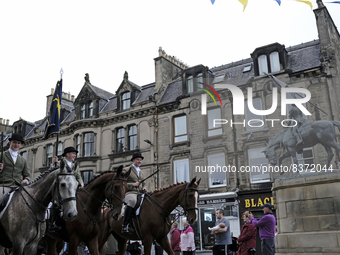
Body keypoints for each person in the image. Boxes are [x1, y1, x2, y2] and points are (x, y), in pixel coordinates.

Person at [49, 146, 84, 231]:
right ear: (67, 154)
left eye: (75, 154)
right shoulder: (59, 163)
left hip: (72, 190)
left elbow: (78, 176)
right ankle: (53, 222)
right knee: (54, 205)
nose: (74, 155)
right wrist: (53, 164)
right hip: (62, 189)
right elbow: (51, 172)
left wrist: (81, 183)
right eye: (73, 153)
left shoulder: (75, 165)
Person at [121, 152, 147, 233]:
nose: (139, 161)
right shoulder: (126, 170)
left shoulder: (141, 172)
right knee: (133, 201)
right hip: (130, 192)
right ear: (133, 160)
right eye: (137, 159)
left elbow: (143, 183)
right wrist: (132, 184)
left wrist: (144, 187)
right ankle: (125, 225)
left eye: (140, 160)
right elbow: (121, 182)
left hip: (140, 193)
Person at [0, 133, 30, 204]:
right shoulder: (1, 155)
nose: (16, 145)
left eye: (19, 143)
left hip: (18, 186)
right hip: (5, 186)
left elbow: (27, 175)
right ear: (10, 142)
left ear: (20, 145)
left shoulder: (23, 160)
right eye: (14, 142)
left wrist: (26, 179)